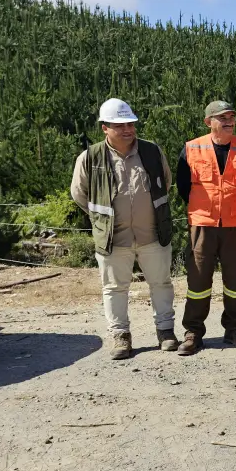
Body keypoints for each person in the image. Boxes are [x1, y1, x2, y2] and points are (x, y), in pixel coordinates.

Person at [70, 98, 175, 360]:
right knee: (115, 288)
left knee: (161, 283)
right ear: (105, 127)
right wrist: (101, 221)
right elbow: (79, 193)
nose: (128, 129)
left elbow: (166, 182)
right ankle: (120, 336)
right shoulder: (90, 157)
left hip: (152, 233)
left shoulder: (152, 152)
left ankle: (165, 332)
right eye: (120, 125)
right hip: (113, 238)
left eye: (131, 124)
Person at [175, 101, 236, 355]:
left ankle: (233, 329)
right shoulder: (191, 148)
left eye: (231, 117)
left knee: (235, 282)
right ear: (208, 122)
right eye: (222, 117)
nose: (229, 121)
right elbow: (183, 187)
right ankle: (193, 332)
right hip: (202, 225)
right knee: (198, 281)